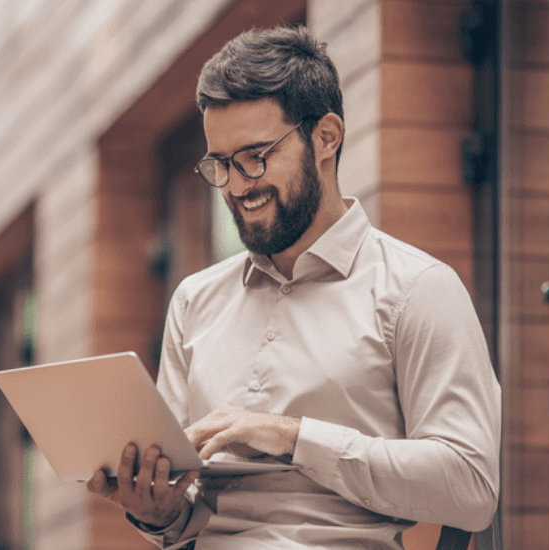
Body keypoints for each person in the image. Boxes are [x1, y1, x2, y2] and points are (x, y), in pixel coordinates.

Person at [86, 25, 500, 550]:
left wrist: (291, 435)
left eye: (256, 156)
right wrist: (157, 511)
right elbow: (184, 506)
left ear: (326, 137)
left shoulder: (418, 289)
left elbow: (471, 487)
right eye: (220, 165)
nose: (236, 185)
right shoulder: (194, 301)